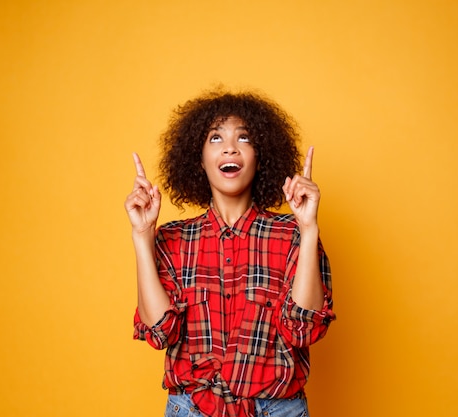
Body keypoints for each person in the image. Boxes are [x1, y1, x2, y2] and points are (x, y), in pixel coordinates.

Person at [125, 89, 335, 417]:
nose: (230, 147)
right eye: (215, 138)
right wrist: (142, 235)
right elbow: (158, 331)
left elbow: (304, 329)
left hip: (277, 410)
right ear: (198, 157)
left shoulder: (292, 235)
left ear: (260, 156)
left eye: (245, 138)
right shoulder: (173, 239)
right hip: (192, 409)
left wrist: (308, 229)